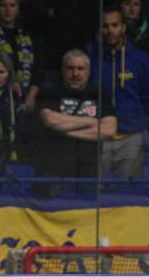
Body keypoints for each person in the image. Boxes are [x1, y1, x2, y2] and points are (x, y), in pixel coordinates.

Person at [87, 5, 149, 178]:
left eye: (114, 25)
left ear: (123, 27)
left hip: (132, 136)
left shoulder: (140, 59)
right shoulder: (91, 57)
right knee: (96, 192)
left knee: (128, 194)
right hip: (99, 137)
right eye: (105, 26)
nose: (110, 30)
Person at [34, 49, 117, 181]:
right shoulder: (49, 92)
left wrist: (65, 130)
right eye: (70, 68)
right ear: (63, 70)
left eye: (80, 68)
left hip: (89, 170)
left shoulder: (100, 95)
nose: (75, 73)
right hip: (54, 170)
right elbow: (51, 120)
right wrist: (92, 122)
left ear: (88, 71)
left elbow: (108, 130)